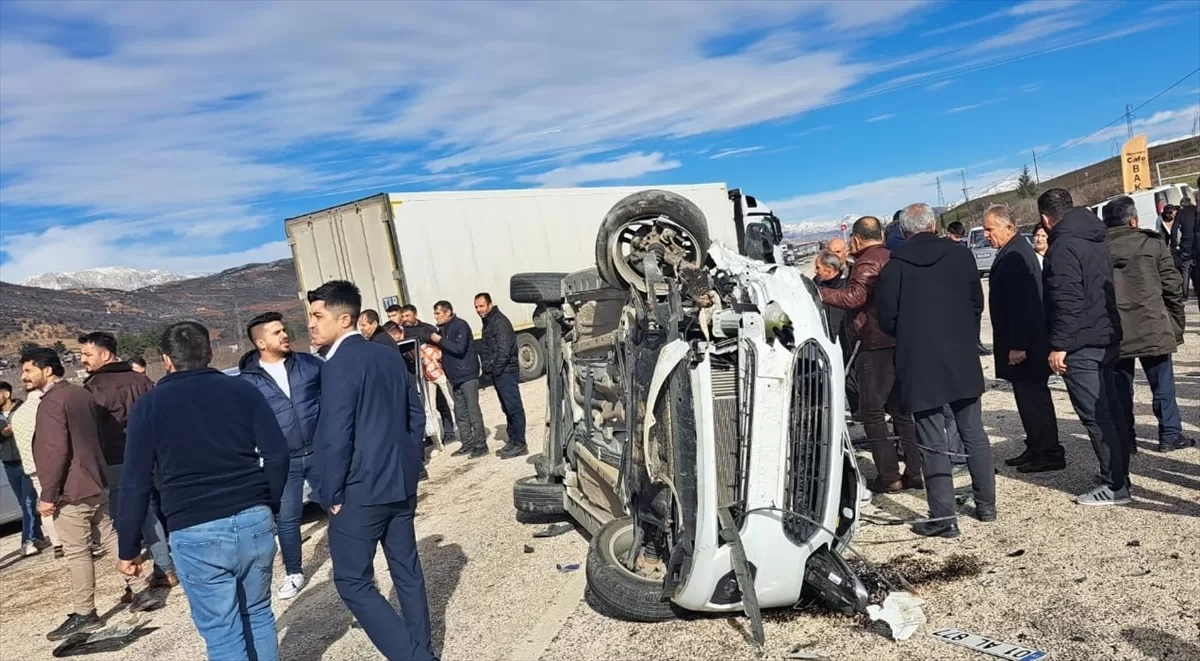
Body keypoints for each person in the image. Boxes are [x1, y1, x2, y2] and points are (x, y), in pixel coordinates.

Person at [117, 322, 288, 660]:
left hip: (195, 529)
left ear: (166, 360)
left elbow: (135, 482)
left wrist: (128, 547)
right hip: (253, 517)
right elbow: (278, 453)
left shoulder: (148, 407)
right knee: (257, 613)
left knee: (223, 633)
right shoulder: (243, 390)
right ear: (210, 353)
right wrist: (269, 502)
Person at [307, 280, 436, 661]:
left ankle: (416, 657)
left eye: (317, 316)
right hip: (399, 481)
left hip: (359, 490)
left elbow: (335, 434)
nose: (311, 324)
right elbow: (415, 413)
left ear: (343, 318)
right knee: (406, 571)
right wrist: (411, 463)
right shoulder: (386, 354)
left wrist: (330, 493)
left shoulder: (339, 364)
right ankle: (421, 648)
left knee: (351, 580)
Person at [877, 203, 995, 538]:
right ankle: (986, 505)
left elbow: (887, 319)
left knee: (931, 441)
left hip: (919, 360)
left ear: (904, 232)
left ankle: (944, 518)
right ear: (933, 225)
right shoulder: (961, 256)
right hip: (960, 355)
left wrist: (912, 332)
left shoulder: (894, 269)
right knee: (974, 432)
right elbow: (976, 302)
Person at [24, 347, 157, 641]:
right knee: (109, 535)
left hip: (71, 488)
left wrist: (48, 494)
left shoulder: (52, 402)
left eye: (28, 370)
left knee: (77, 551)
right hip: (96, 479)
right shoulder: (80, 394)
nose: (24, 377)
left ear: (47, 370)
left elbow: (54, 450)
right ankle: (140, 589)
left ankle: (85, 613)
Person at [1039, 188, 1129, 506]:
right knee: (1111, 410)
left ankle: (1114, 484)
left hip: (1081, 343)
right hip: (1105, 335)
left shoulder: (1062, 246)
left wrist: (1059, 345)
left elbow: (1067, 300)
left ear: (1045, 218)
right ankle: (1118, 473)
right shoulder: (1094, 237)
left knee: (1096, 415)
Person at [818, 216, 921, 494]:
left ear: (856, 238)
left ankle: (889, 475)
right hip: (897, 340)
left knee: (873, 413)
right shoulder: (891, 255)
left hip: (874, 343)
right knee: (901, 412)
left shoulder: (867, 261)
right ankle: (915, 470)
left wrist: (820, 293)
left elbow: (854, 298)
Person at [78, 331, 176, 592]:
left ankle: (162, 569)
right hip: (155, 452)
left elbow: (91, 431)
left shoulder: (94, 389)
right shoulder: (141, 380)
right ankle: (169, 563)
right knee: (162, 505)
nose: (82, 361)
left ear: (106, 354)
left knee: (137, 514)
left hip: (119, 459)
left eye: (87, 354)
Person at [238, 311, 323, 599]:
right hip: (284, 460)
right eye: (277, 332)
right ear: (261, 343)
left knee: (340, 504)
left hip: (321, 451)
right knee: (287, 518)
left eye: (284, 330)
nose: (285, 335)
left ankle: (359, 560)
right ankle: (294, 573)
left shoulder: (310, 365)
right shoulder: (247, 382)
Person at [1102, 196, 1194, 453]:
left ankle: (1125, 438)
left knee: (1120, 388)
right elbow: (1172, 286)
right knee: (1162, 384)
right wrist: (1176, 324)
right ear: (1133, 220)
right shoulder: (1151, 243)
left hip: (1114, 329)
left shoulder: (1097, 249)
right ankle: (1170, 434)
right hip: (1152, 322)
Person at [982, 205, 1065, 472]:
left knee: (1034, 400)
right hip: (1021, 342)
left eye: (989, 229)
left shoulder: (1017, 254)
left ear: (1008, 227)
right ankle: (1036, 446)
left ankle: (1049, 453)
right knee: (1026, 400)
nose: (985, 235)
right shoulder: (1012, 251)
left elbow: (1024, 305)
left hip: (1026, 346)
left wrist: (1018, 345)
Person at [425, 301, 487, 459]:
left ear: (447, 313)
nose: (435, 317)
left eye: (438, 313)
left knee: (473, 411)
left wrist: (439, 340)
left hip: (467, 374)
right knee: (460, 412)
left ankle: (481, 445)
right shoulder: (443, 329)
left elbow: (459, 349)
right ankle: (468, 443)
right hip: (455, 377)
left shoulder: (460, 326)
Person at [8, 386, 60, 556]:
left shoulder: (18, 414)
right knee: (57, 502)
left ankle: (53, 542)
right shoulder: (44, 408)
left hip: (29, 465)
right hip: (45, 462)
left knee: (40, 503)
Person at [475, 293, 528, 459]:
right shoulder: (489, 321)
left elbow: (504, 351)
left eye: (481, 306)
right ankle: (513, 440)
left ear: (490, 304)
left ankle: (520, 443)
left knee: (514, 407)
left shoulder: (499, 322)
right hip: (500, 372)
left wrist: (495, 370)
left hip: (506, 371)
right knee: (507, 408)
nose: (478, 310)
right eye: (476, 307)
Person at [399, 305, 457, 446]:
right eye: (403, 316)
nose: (405, 319)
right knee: (430, 408)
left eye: (408, 316)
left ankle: (457, 431)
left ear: (415, 314)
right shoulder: (403, 333)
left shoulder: (427, 328)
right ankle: (438, 441)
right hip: (424, 376)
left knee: (450, 402)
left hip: (439, 372)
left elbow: (441, 343)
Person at [1, 381, 48, 556]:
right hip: (9, 463)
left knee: (29, 501)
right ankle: (38, 537)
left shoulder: (24, 409)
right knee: (23, 502)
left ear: (6, 394)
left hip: (26, 460)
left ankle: (27, 541)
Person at [814, 251, 858, 415]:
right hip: (825, 342)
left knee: (850, 380)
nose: (815, 271)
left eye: (818, 267)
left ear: (829, 269)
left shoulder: (845, 288)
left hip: (845, 342)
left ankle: (857, 411)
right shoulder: (816, 284)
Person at [1177, 195, 1199, 307]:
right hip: (1197, 243)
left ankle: (1185, 294)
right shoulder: (1196, 210)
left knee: (1185, 270)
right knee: (1196, 267)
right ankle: (1196, 290)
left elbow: (1174, 230)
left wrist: (1174, 245)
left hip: (1185, 245)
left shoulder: (1180, 213)